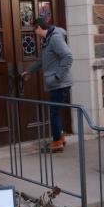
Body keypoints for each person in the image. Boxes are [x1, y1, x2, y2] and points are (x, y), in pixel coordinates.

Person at [21, 17, 73, 152]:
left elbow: (68, 56)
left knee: (54, 112)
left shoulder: (55, 38)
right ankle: (60, 138)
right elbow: (42, 60)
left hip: (59, 83)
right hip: (57, 83)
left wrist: (57, 76)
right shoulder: (47, 39)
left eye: (34, 30)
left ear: (38, 27)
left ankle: (57, 143)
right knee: (55, 111)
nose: (34, 32)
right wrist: (29, 71)